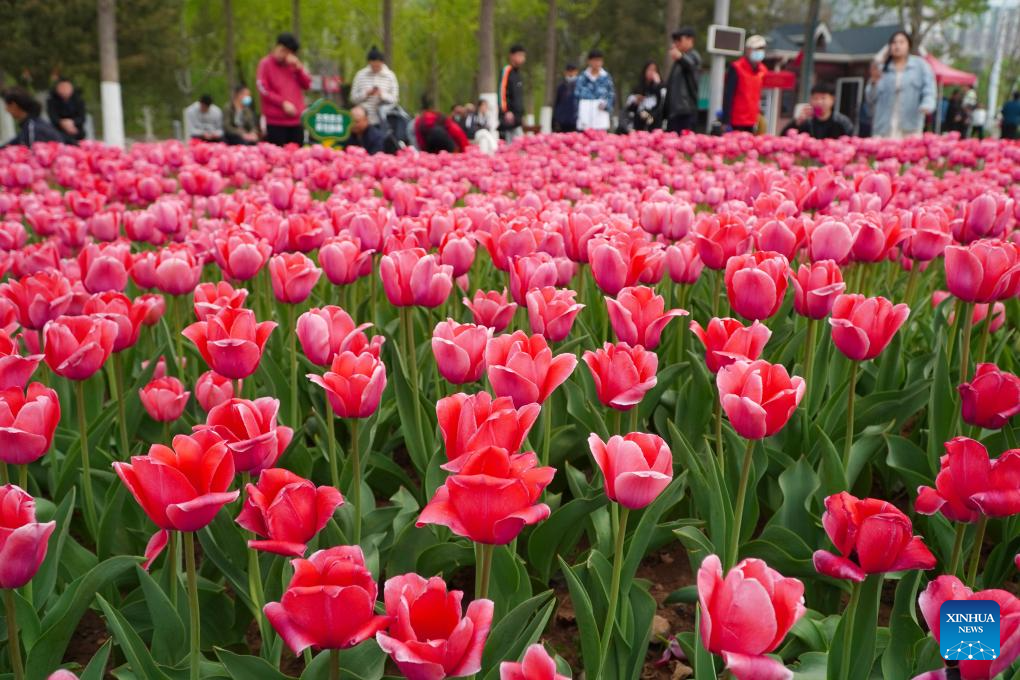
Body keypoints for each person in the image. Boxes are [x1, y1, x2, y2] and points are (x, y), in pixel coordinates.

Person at [864, 30, 935, 139]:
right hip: (884, 126)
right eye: (894, 43)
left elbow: (929, 89)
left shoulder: (920, 66)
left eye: (901, 42)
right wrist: (873, 82)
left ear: (908, 46)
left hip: (910, 125)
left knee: (907, 154)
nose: (897, 46)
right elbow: (870, 98)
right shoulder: (881, 68)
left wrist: (927, 104)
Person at [256, 32, 311, 146]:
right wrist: (282, 103)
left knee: (297, 157)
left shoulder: (294, 66)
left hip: (296, 121)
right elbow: (263, 89)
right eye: (283, 50)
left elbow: (307, 85)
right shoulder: (265, 64)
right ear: (276, 47)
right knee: (277, 157)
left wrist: (299, 69)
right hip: (276, 121)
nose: (284, 55)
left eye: (288, 52)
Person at [722, 34, 768, 133]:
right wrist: (725, 121)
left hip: (752, 120)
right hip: (736, 120)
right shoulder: (736, 68)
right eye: (756, 49)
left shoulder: (763, 70)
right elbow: (728, 95)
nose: (759, 52)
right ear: (747, 50)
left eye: (761, 49)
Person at [782, 82, 853, 139]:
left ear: (833, 100)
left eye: (823, 98)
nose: (819, 102)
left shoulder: (842, 122)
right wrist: (797, 123)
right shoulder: (806, 121)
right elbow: (783, 137)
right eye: (815, 98)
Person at [350, 46, 399, 127]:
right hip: (363, 121)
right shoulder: (360, 75)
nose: (375, 68)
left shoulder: (390, 76)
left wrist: (382, 95)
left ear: (382, 63)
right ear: (369, 63)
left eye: (378, 66)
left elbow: (395, 99)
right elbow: (353, 98)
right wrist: (366, 93)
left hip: (383, 121)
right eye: (373, 66)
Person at [664, 27, 701, 133]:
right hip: (675, 112)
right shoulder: (678, 62)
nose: (677, 42)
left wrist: (680, 57)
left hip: (686, 111)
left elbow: (690, 65)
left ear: (690, 40)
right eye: (675, 40)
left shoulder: (694, 56)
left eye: (680, 39)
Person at [574, 49, 615, 131]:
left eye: (599, 60)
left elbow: (611, 95)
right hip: (584, 117)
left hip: (600, 117)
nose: (597, 63)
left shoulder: (606, 77)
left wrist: (606, 106)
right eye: (595, 60)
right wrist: (577, 113)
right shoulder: (582, 77)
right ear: (589, 61)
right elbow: (576, 96)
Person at [625, 61, 663, 132]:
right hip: (639, 124)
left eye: (654, 70)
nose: (651, 72)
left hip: (654, 123)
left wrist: (658, 84)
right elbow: (630, 109)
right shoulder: (638, 87)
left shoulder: (660, 87)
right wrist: (637, 101)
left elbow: (661, 104)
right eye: (649, 69)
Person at [498, 44, 526, 141]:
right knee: (511, 146)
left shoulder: (518, 74)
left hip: (517, 117)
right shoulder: (507, 71)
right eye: (520, 55)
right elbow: (502, 92)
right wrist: (506, 111)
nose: (522, 58)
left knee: (519, 144)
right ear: (512, 56)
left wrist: (521, 114)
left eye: (523, 56)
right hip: (509, 117)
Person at [46, 77, 86, 142]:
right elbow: (53, 118)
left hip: (76, 131)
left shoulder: (78, 100)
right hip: (58, 133)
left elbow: (82, 118)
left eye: (67, 87)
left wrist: (71, 123)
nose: (64, 90)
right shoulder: (51, 101)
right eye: (62, 87)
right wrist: (63, 123)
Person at [552, 63, 580, 132]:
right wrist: (554, 121)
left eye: (572, 71)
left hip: (576, 121)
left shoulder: (580, 86)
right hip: (562, 122)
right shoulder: (561, 87)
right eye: (569, 71)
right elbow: (557, 104)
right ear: (565, 72)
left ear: (576, 72)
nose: (571, 73)